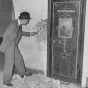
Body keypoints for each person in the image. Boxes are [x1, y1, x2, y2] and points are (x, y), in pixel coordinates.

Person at [0, 12, 38, 86]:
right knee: (9, 63)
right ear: (24, 20)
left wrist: (30, 34)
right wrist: (9, 47)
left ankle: (22, 73)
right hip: (9, 46)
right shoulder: (13, 25)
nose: (28, 22)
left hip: (13, 45)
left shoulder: (18, 24)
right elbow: (5, 36)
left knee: (19, 59)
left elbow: (19, 33)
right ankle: (6, 81)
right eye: (28, 20)